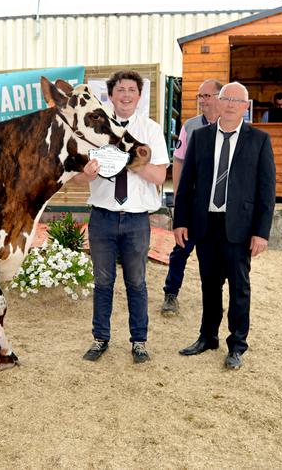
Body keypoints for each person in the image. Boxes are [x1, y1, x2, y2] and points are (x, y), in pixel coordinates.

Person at [173, 81, 276, 370]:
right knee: (209, 284)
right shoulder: (201, 137)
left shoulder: (259, 140)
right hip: (205, 224)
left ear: (245, 107)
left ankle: (237, 345)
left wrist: (261, 232)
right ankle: (208, 337)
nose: (230, 105)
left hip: (240, 227)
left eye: (237, 100)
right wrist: (180, 221)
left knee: (239, 287)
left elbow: (267, 191)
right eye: (225, 99)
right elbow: (187, 184)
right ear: (218, 103)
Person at [72, 70, 169, 364]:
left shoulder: (150, 130)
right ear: (111, 96)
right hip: (102, 217)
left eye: (132, 90)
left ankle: (139, 341)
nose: (126, 95)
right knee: (103, 281)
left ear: (139, 96)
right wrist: (85, 173)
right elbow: (77, 179)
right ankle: (100, 338)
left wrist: (131, 162)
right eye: (120, 90)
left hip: (137, 219)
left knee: (137, 283)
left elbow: (160, 174)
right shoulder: (94, 129)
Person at [161, 79, 222, 317]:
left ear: (221, 96)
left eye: (208, 95)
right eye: (200, 96)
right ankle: (171, 293)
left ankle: (214, 299)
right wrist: (178, 197)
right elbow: (178, 161)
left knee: (217, 255)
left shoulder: (231, 125)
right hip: (194, 202)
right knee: (181, 248)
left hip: (219, 205)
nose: (203, 101)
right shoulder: (190, 126)